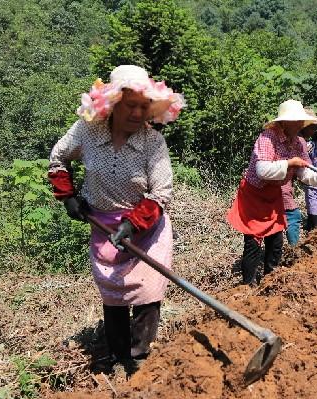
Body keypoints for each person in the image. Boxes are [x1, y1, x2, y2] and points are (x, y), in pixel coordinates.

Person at [47, 65, 185, 372]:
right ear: (112, 105)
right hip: (103, 225)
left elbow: (161, 192)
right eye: (130, 106)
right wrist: (68, 196)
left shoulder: (153, 143)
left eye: (143, 107)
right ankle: (118, 354)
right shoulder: (87, 130)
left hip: (146, 226)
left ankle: (139, 357)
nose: (137, 114)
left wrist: (132, 225)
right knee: (113, 293)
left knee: (148, 294)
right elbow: (58, 158)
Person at [227, 100, 317, 286]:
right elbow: (262, 170)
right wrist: (289, 163)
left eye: (301, 120)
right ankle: (247, 285)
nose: (301, 124)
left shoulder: (299, 143)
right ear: (284, 122)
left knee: (276, 241)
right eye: (296, 120)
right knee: (253, 242)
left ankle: (270, 280)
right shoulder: (267, 138)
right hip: (255, 194)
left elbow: (304, 172)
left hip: (273, 194)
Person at [281, 111, 317, 246]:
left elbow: (306, 168)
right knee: (293, 216)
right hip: (278, 186)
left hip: (285, 184)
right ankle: (293, 250)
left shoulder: (300, 141)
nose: (314, 130)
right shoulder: (296, 140)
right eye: (312, 126)